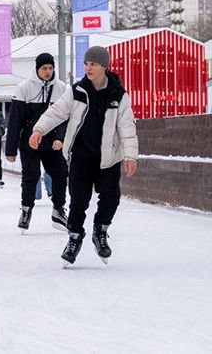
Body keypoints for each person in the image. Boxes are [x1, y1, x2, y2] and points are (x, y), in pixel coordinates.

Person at [30, 46, 139, 265]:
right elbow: (56, 111)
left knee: (111, 198)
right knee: (79, 200)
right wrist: (39, 129)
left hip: (108, 157)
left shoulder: (118, 94)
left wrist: (130, 156)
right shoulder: (77, 90)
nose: (89, 68)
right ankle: (74, 237)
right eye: (86, 64)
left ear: (104, 67)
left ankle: (100, 230)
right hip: (81, 155)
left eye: (94, 64)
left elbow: (127, 127)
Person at [6, 51, 70, 230]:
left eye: (50, 68)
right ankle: (26, 210)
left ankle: (58, 210)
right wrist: (10, 150)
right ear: (37, 69)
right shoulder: (24, 88)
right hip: (29, 141)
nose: (48, 71)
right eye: (44, 68)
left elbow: (65, 117)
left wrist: (60, 138)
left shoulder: (61, 88)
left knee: (60, 173)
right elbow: (15, 120)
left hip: (52, 141)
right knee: (31, 175)